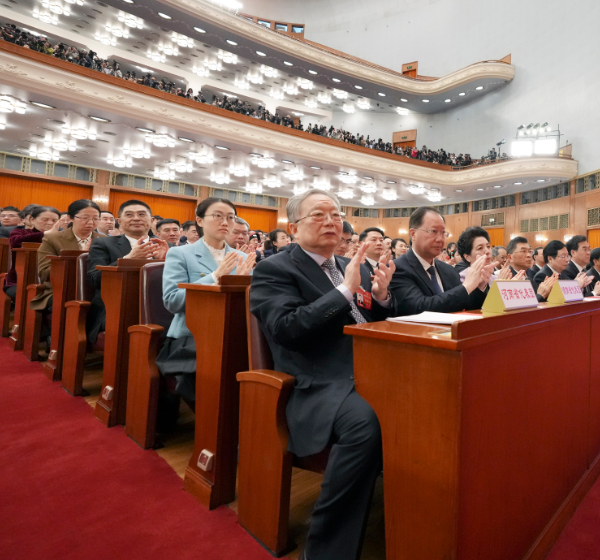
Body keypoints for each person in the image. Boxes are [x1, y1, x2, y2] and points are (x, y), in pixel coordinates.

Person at [250, 188, 394, 560]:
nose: (331, 221)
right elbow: (287, 329)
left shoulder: (350, 264)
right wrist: (346, 289)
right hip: (321, 381)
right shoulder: (274, 268)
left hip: (373, 368)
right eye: (319, 215)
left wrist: (379, 298)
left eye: (336, 215)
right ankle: (326, 552)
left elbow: (367, 322)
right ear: (293, 225)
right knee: (365, 424)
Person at [158, 198, 253, 411]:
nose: (225, 222)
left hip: (233, 333)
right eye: (217, 216)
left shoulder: (242, 258)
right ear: (199, 221)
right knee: (209, 374)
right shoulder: (180, 253)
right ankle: (214, 427)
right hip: (191, 336)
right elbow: (172, 301)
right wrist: (214, 277)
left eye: (230, 217)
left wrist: (245, 284)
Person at [87, 200, 168, 343]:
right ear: (120, 221)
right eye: (129, 215)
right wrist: (127, 259)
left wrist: (163, 263)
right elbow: (94, 279)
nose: (136, 218)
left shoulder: (168, 246)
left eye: (142, 214)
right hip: (117, 307)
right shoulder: (103, 244)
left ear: (152, 220)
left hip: (161, 304)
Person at [390, 206, 493, 315]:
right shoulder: (398, 268)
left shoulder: (448, 270)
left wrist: (480, 285)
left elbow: (467, 307)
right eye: (433, 231)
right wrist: (466, 287)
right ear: (413, 234)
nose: (440, 239)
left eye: (443, 233)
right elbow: (419, 307)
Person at [30, 200, 104, 313]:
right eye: (84, 218)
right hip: (61, 290)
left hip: (96, 290)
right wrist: (79, 257)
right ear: (70, 218)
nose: (90, 222)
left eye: (96, 218)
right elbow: (44, 273)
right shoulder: (53, 239)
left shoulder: (103, 240)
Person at [4, 206, 61, 302]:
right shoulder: (20, 232)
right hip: (19, 282)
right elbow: (15, 242)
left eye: (54, 220)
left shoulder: (63, 237)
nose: (50, 223)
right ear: (32, 220)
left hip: (52, 283)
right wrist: (46, 234)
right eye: (45, 219)